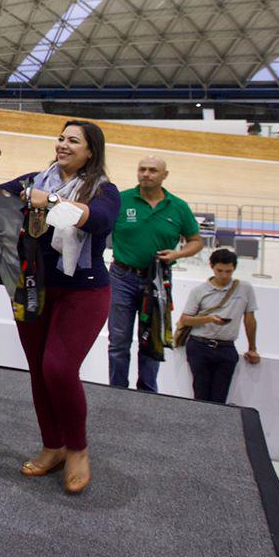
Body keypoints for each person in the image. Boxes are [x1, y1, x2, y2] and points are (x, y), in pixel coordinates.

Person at [0, 121, 120, 495]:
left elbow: (100, 221)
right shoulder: (35, 179)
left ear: (91, 151)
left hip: (84, 293)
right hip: (33, 289)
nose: (63, 145)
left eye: (73, 141)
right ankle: (53, 446)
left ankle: (77, 448)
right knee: (39, 371)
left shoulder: (104, 190)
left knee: (59, 368)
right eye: (61, 138)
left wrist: (51, 202)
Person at [107, 155, 203, 392]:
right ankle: (116, 390)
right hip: (121, 277)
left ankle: (148, 392)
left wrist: (177, 255)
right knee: (118, 340)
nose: (146, 174)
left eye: (152, 170)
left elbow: (196, 241)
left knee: (152, 340)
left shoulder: (178, 207)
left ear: (164, 175)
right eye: (142, 169)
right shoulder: (121, 200)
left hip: (158, 280)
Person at [176, 249, 260, 404]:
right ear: (211, 267)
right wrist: (208, 319)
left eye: (228, 271)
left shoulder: (245, 289)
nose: (224, 275)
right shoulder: (199, 291)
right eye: (219, 271)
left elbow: (250, 319)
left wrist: (252, 347)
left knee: (220, 398)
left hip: (226, 348)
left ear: (234, 268)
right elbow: (185, 319)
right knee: (201, 395)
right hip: (199, 346)